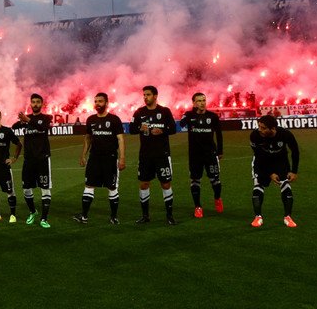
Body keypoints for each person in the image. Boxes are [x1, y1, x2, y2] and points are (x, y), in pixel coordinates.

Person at [73, 93, 126, 225]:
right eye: (96, 101)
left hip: (110, 159)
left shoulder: (114, 119)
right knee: (89, 185)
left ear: (106, 103)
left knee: (112, 187)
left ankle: (114, 217)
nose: (97, 104)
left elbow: (120, 139)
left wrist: (122, 158)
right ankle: (84, 216)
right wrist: (83, 155)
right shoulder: (91, 119)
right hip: (94, 158)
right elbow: (88, 138)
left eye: (100, 101)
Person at [130, 85, 178, 225]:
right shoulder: (139, 112)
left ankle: (169, 216)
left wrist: (162, 131)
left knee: (166, 184)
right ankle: (145, 216)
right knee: (144, 184)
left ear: (155, 96)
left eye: (148, 94)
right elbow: (131, 129)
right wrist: (139, 128)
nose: (145, 97)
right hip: (145, 155)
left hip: (162, 154)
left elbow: (173, 128)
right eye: (144, 95)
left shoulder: (164, 111)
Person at [249, 115, 299, 228]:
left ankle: (288, 217)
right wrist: (270, 173)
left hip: (280, 161)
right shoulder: (255, 135)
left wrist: (294, 171)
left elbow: (295, 151)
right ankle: (258, 217)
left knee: (285, 184)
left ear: (272, 128)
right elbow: (259, 156)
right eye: (259, 126)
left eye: (263, 128)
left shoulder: (285, 134)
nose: (259, 130)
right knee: (258, 185)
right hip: (262, 161)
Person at [12, 93, 53, 228]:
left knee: (45, 189)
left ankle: (44, 219)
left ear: (42, 104)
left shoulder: (47, 118)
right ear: (30, 104)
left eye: (37, 102)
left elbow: (43, 128)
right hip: (28, 160)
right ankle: (33, 211)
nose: (35, 104)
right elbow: (14, 127)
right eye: (33, 102)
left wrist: (27, 120)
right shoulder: (27, 119)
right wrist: (21, 121)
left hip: (42, 159)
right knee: (26, 189)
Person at [180, 93, 224, 218]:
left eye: (204, 100)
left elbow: (219, 134)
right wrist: (189, 114)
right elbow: (181, 124)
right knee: (195, 181)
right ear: (194, 103)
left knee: (215, 180)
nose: (202, 103)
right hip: (195, 155)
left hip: (210, 154)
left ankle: (217, 198)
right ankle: (198, 207)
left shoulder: (213, 116)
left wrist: (220, 151)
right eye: (199, 101)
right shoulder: (189, 115)